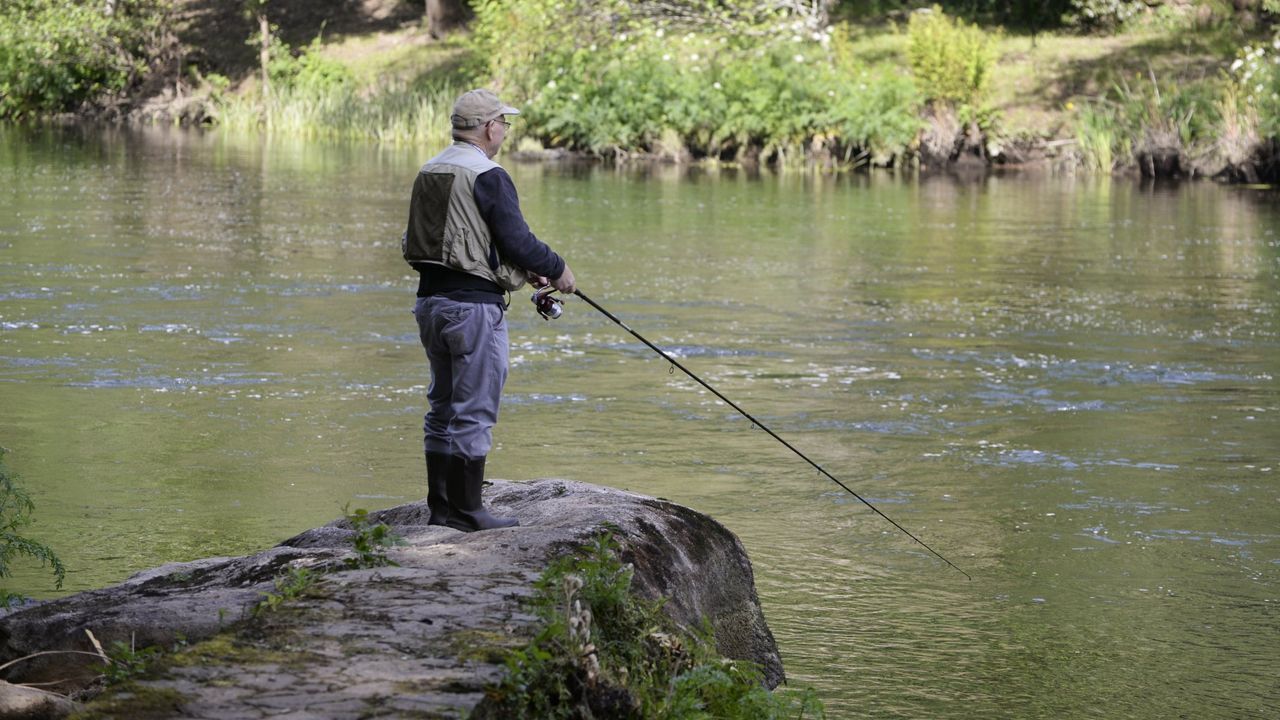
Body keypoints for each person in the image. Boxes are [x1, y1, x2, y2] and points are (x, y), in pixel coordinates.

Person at [402, 89, 576, 532]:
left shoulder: (431, 168)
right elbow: (517, 240)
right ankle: (469, 511)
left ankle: (441, 510)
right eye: (504, 123)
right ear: (489, 127)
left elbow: (461, 236)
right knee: (474, 409)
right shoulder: (488, 174)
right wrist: (557, 270)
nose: (505, 130)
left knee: (441, 406)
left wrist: (523, 272)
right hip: (473, 310)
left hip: (431, 304)